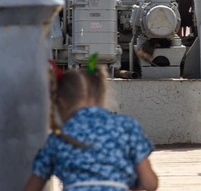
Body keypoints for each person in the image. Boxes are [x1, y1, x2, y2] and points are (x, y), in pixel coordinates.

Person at [24, 63, 158, 191]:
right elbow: (150, 183)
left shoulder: (58, 138)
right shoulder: (127, 127)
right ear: (102, 97)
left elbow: (33, 187)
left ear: (60, 102)